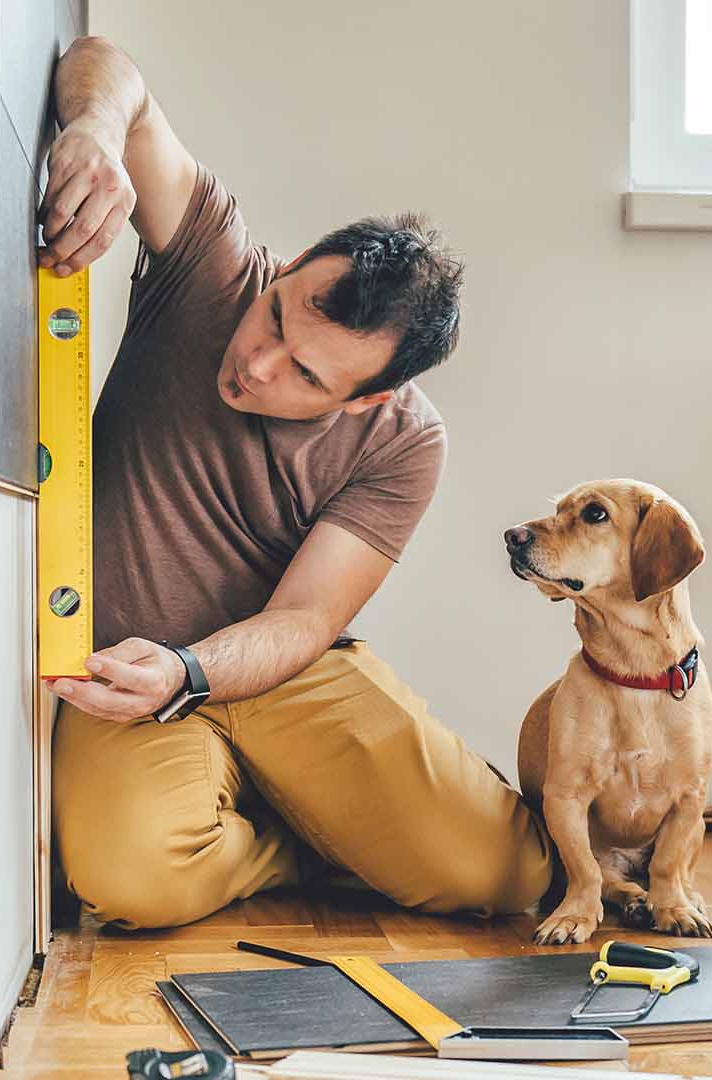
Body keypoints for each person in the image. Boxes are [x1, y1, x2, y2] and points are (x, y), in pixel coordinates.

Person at [37, 36, 553, 929]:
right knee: (131, 884)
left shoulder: (404, 443)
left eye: (308, 377)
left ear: (366, 401)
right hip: (121, 669)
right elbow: (108, 65)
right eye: (277, 314)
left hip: (273, 666)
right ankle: (297, 840)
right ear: (285, 272)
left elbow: (308, 619)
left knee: (504, 876)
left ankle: (322, 817)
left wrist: (194, 669)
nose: (258, 364)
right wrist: (93, 124)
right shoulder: (213, 269)